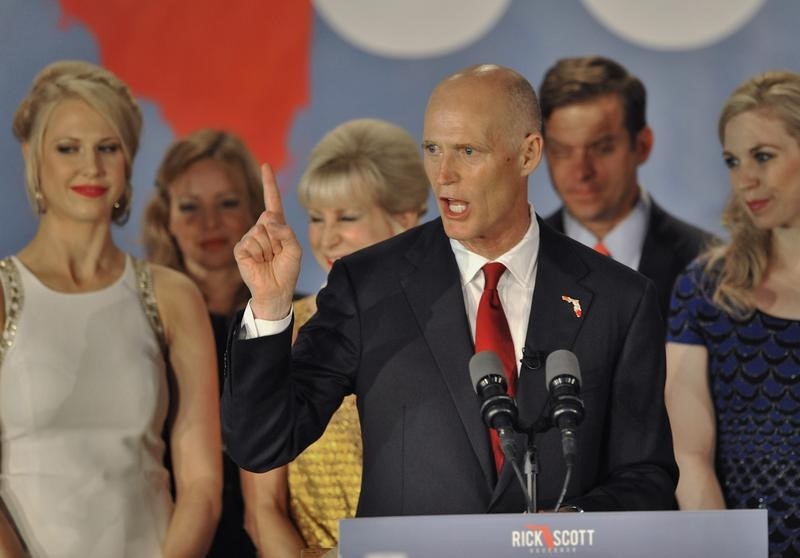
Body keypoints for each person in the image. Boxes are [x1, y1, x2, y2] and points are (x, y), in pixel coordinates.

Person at [222, 64, 677, 517]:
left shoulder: (620, 299)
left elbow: (646, 476)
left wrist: (577, 522)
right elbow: (263, 443)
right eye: (433, 149)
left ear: (527, 154)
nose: (443, 176)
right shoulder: (369, 285)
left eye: (468, 151)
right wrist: (269, 305)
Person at [0, 60, 221, 557]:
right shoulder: (3, 292)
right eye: (68, 148)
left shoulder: (173, 296)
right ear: (35, 161)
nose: (91, 167)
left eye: (107, 148)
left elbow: (203, 486)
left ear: (128, 161)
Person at [244, 118, 428, 557]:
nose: (327, 238)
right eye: (315, 217)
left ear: (403, 220)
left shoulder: (453, 331)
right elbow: (262, 509)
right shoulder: (280, 332)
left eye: (347, 217)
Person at [666, 70, 800, 558]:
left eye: (763, 156)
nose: (746, 179)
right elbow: (690, 456)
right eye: (733, 160)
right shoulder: (706, 290)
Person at [142, 129, 265, 556]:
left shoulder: (297, 321)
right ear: (166, 218)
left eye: (227, 203)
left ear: (254, 208)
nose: (208, 223)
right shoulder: (138, 323)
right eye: (189, 207)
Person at [539, 55, 710, 318]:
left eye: (602, 148)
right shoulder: (517, 259)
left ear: (642, 146)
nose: (582, 171)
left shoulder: (707, 263)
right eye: (561, 151)